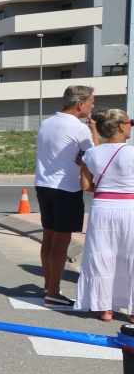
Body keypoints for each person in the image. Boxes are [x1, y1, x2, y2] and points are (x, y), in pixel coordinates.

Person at [35, 85, 96, 308]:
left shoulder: (46, 123)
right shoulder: (80, 128)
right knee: (62, 241)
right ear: (80, 104)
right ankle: (53, 293)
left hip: (43, 185)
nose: (93, 107)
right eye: (91, 102)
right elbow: (95, 156)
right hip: (66, 188)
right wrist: (94, 132)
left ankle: (48, 284)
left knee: (48, 237)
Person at [77, 108, 134, 322]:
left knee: (102, 255)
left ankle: (105, 308)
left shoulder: (91, 154)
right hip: (130, 207)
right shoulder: (132, 152)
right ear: (121, 126)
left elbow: (85, 185)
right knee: (131, 256)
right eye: (130, 122)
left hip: (102, 207)